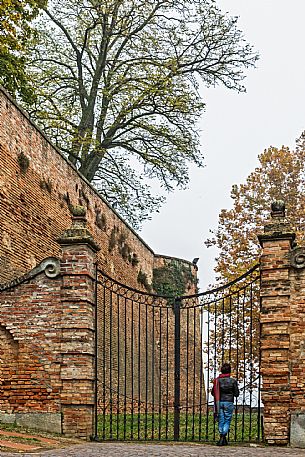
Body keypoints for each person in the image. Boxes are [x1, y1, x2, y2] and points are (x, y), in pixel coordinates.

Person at [211, 362, 239, 446]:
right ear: (229, 371)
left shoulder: (217, 381)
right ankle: (223, 436)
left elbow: (213, 393)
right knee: (227, 420)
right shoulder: (233, 381)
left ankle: (222, 437)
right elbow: (236, 394)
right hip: (229, 402)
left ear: (221, 371)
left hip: (219, 403)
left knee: (221, 420)